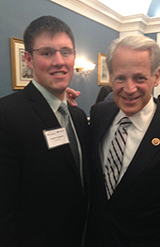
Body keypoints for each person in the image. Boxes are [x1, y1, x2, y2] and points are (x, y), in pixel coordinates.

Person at [85, 35, 160, 247]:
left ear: (156, 77)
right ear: (110, 77)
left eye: (140, 78)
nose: (129, 89)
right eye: (120, 78)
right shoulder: (99, 114)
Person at [0, 16, 90, 247]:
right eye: (47, 53)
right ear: (29, 59)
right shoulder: (6, 115)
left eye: (66, 52)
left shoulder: (78, 117)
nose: (59, 61)